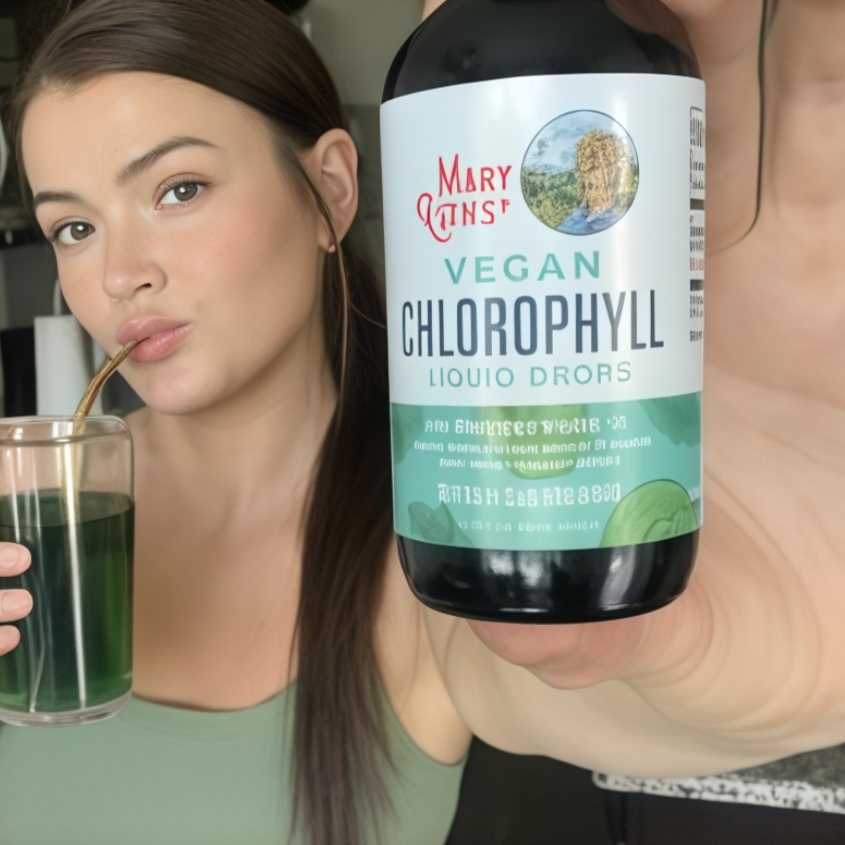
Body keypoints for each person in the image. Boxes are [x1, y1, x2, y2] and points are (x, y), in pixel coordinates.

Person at [0, 0, 844, 843]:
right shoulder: (23, 507)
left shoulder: (450, 526)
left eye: (179, 189)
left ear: (331, 190)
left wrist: (768, 650)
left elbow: (584, 692)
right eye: (73, 227)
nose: (119, 275)